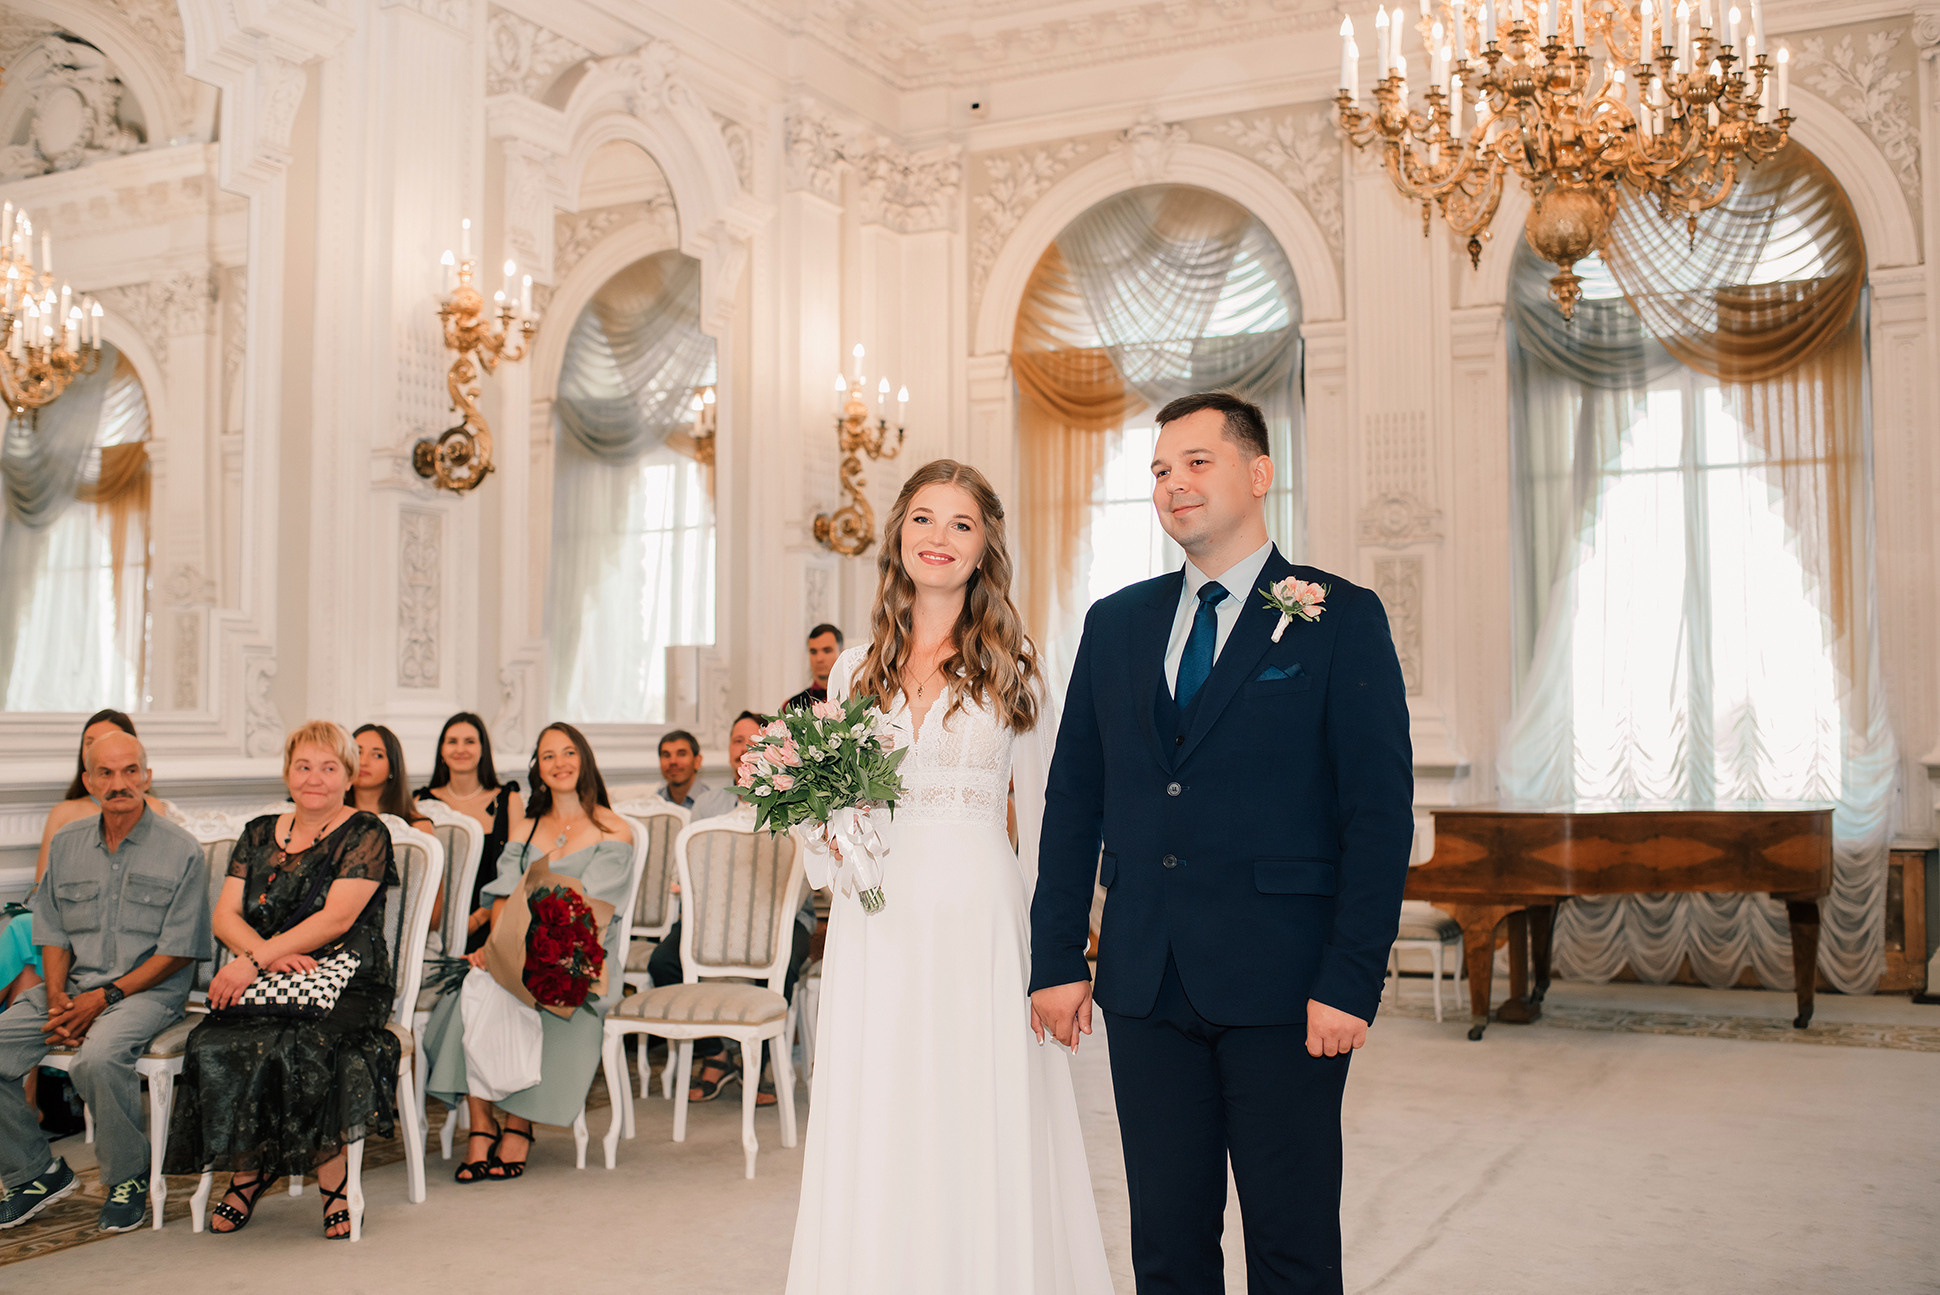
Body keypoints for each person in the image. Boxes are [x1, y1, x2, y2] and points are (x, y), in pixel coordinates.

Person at [1030, 392, 1414, 1295]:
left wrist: (1350, 978)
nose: (1174, 485)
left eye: (1197, 461)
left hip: (1288, 987)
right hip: (1144, 980)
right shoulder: (1115, 623)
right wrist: (1056, 953)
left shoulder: (1339, 616)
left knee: (1292, 1244)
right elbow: (1072, 797)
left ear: (1259, 472)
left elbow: (1377, 814)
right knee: (1166, 1245)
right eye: (1161, 470)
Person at [785, 460, 1111, 1294]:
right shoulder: (851, 667)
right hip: (877, 915)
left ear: (984, 546)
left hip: (979, 914)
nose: (939, 537)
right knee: (883, 1107)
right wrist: (815, 821)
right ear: (898, 535)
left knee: (976, 1110)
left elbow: (1046, 819)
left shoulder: (1019, 662)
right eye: (924, 518)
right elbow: (832, 824)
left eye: (961, 523)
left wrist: (1058, 958)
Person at [163, 721, 403, 1240]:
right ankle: (249, 1171)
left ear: (348, 776)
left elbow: (337, 920)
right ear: (287, 772)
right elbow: (225, 915)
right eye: (303, 766)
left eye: (328, 767)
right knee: (216, 1039)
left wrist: (253, 960)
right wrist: (265, 959)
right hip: (273, 973)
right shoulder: (257, 832)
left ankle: (334, 1181)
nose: (314, 778)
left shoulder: (366, 831)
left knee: (306, 1041)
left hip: (347, 977)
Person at [0, 731, 210, 1234]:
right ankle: (36, 1172)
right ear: (89, 780)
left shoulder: (182, 850)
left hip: (149, 992)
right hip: (72, 987)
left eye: (130, 771)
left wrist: (104, 997)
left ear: (147, 776)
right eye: (107, 773)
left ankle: (128, 1177)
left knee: (97, 1057)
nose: (120, 783)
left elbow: (179, 950)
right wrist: (56, 998)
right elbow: (50, 930)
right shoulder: (68, 845)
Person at [421, 722, 634, 1183]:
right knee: (469, 996)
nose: (561, 763)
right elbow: (500, 897)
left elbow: (592, 912)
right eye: (549, 755)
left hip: (580, 957)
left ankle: (520, 1124)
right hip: (513, 945)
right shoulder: (525, 824)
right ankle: (482, 1125)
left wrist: (532, 958)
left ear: (585, 759)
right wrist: (498, 953)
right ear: (538, 768)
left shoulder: (613, 828)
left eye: (569, 752)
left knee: (540, 1001)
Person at [648, 710, 813, 1106]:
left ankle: (766, 1060)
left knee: (780, 961)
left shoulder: (797, 795)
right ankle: (716, 1055)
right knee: (663, 963)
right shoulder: (707, 804)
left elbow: (804, 875)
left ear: (775, 745)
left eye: (754, 738)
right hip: (712, 921)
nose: (744, 747)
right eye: (737, 740)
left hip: (782, 918)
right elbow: (683, 867)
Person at [3, 711, 171, 1009]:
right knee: (26, 943)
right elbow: (41, 888)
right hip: (59, 913)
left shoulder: (151, 808)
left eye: (105, 740)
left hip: (112, 919)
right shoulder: (64, 811)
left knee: (23, 936)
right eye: (88, 742)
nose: (94, 747)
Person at [416, 713, 523, 954]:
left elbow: (517, 874)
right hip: (430, 931)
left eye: (470, 741)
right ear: (441, 750)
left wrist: (477, 920)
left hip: (490, 924)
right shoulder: (420, 803)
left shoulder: (508, 800)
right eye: (452, 741)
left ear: (483, 749)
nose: (460, 749)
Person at [348, 725, 432, 830]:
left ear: (393, 767)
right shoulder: (331, 819)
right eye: (358, 752)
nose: (363, 762)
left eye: (377, 755)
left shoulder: (417, 826)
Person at [783, 623, 844, 711]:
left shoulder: (856, 698)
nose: (819, 659)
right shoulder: (791, 705)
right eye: (813, 652)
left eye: (827, 651)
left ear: (842, 653)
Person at [655, 730, 710, 810]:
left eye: (681, 754)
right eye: (666, 755)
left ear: (697, 761)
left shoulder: (713, 803)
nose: (673, 761)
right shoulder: (654, 803)